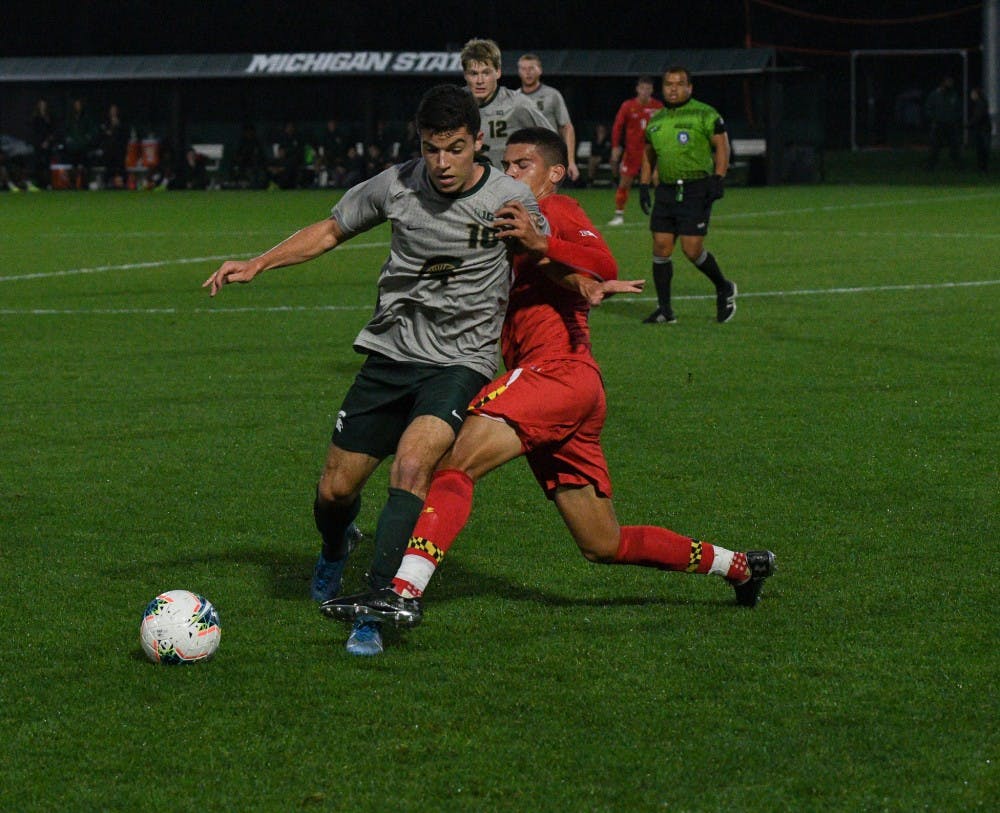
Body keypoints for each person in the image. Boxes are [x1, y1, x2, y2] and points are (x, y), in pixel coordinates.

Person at [321, 127, 776, 642]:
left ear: (553, 174)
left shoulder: (551, 210)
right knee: (602, 542)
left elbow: (602, 261)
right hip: (572, 394)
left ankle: (399, 593)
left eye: (522, 165)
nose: (509, 174)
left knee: (452, 462)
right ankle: (741, 566)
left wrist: (546, 244)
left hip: (553, 374)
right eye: (506, 164)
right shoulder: (506, 221)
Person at [202, 84, 545, 656]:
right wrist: (259, 262)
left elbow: (552, 254)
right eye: (432, 149)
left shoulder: (509, 198)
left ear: (478, 142)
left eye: (455, 149)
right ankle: (337, 547)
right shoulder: (397, 183)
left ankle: (376, 604)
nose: (441, 163)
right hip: (390, 356)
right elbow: (333, 228)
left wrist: (541, 245)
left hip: (460, 363)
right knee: (334, 493)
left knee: (412, 466)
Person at [639, 67, 736, 325]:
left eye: (679, 84)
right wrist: (644, 185)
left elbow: (721, 145)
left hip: (696, 188)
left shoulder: (705, 113)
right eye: (669, 84)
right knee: (661, 247)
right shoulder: (656, 120)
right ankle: (665, 309)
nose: (673, 88)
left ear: (690, 88)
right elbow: (649, 154)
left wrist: (718, 177)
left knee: (692, 250)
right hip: (667, 189)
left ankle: (723, 286)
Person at [460, 38, 554, 168]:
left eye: (486, 73)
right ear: (465, 75)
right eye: (473, 74)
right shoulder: (455, 104)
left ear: (498, 72)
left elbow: (552, 141)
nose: (479, 80)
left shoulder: (518, 103)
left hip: (507, 183)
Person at [608, 76, 663, 226]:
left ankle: (662, 213)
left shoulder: (658, 107)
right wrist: (615, 146)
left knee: (658, 181)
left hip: (653, 152)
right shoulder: (628, 106)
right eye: (642, 88)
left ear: (652, 90)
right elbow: (617, 126)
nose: (645, 91)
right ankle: (619, 215)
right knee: (625, 183)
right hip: (632, 152)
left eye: (648, 88)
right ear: (637, 89)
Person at [516, 53, 579, 182]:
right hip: (522, 156)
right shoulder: (514, 98)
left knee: (547, 196)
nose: (528, 73)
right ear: (518, 72)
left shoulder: (552, 95)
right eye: (524, 69)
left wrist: (571, 161)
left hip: (548, 154)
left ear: (540, 70)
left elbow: (566, 127)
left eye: (531, 68)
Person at [924, 76, 962, 170]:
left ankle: (957, 165)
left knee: (954, 145)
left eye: (951, 82)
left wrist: (955, 118)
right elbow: (928, 109)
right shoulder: (934, 95)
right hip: (938, 125)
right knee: (935, 146)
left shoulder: (953, 95)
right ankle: (931, 165)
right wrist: (934, 118)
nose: (950, 84)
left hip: (951, 125)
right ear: (943, 83)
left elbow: (958, 108)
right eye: (948, 82)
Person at [98, 104, 128, 189]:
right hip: (108, 150)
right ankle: (107, 184)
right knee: (108, 168)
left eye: (115, 110)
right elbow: (102, 134)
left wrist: (117, 126)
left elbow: (124, 135)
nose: (113, 112)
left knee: (120, 168)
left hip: (119, 150)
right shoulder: (105, 122)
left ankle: (122, 184)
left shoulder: (122, 123)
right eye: (112, 110)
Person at [29, 99, 55, 190]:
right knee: (38, 165)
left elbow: (52, 131)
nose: (43, 106)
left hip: (47, 144)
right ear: (38, 106)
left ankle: (48, 184)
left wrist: (47, 141)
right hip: (38, 144)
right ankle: (39, 184)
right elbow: (34, 132)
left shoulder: (49, 117)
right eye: (41, 105)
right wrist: (40, 143)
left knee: (47, 165)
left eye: (44, 105)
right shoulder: (35, 117)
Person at [967, 87, 991, 173]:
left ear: (976, 94)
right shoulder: (981, 103)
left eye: (972, 94)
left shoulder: (980, 104)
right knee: (982, 150)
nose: (971, 96)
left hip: (982, 130)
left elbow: (978, 117)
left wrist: (969, 125)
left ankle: (983, 169)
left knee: (982, 150)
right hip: (983, 129)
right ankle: (982, 168)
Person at [586, 122, 613, 187]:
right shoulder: (594, 139)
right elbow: (593, 150)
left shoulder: (609, 139)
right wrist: (599, 142)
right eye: (599, 130)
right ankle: (590, 181)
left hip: (606, 157)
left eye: (602, 130)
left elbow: (608, 151)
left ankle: (615, 181)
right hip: (596, 157)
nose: (601, 132)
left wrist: (601, 155)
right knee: (592, 160)